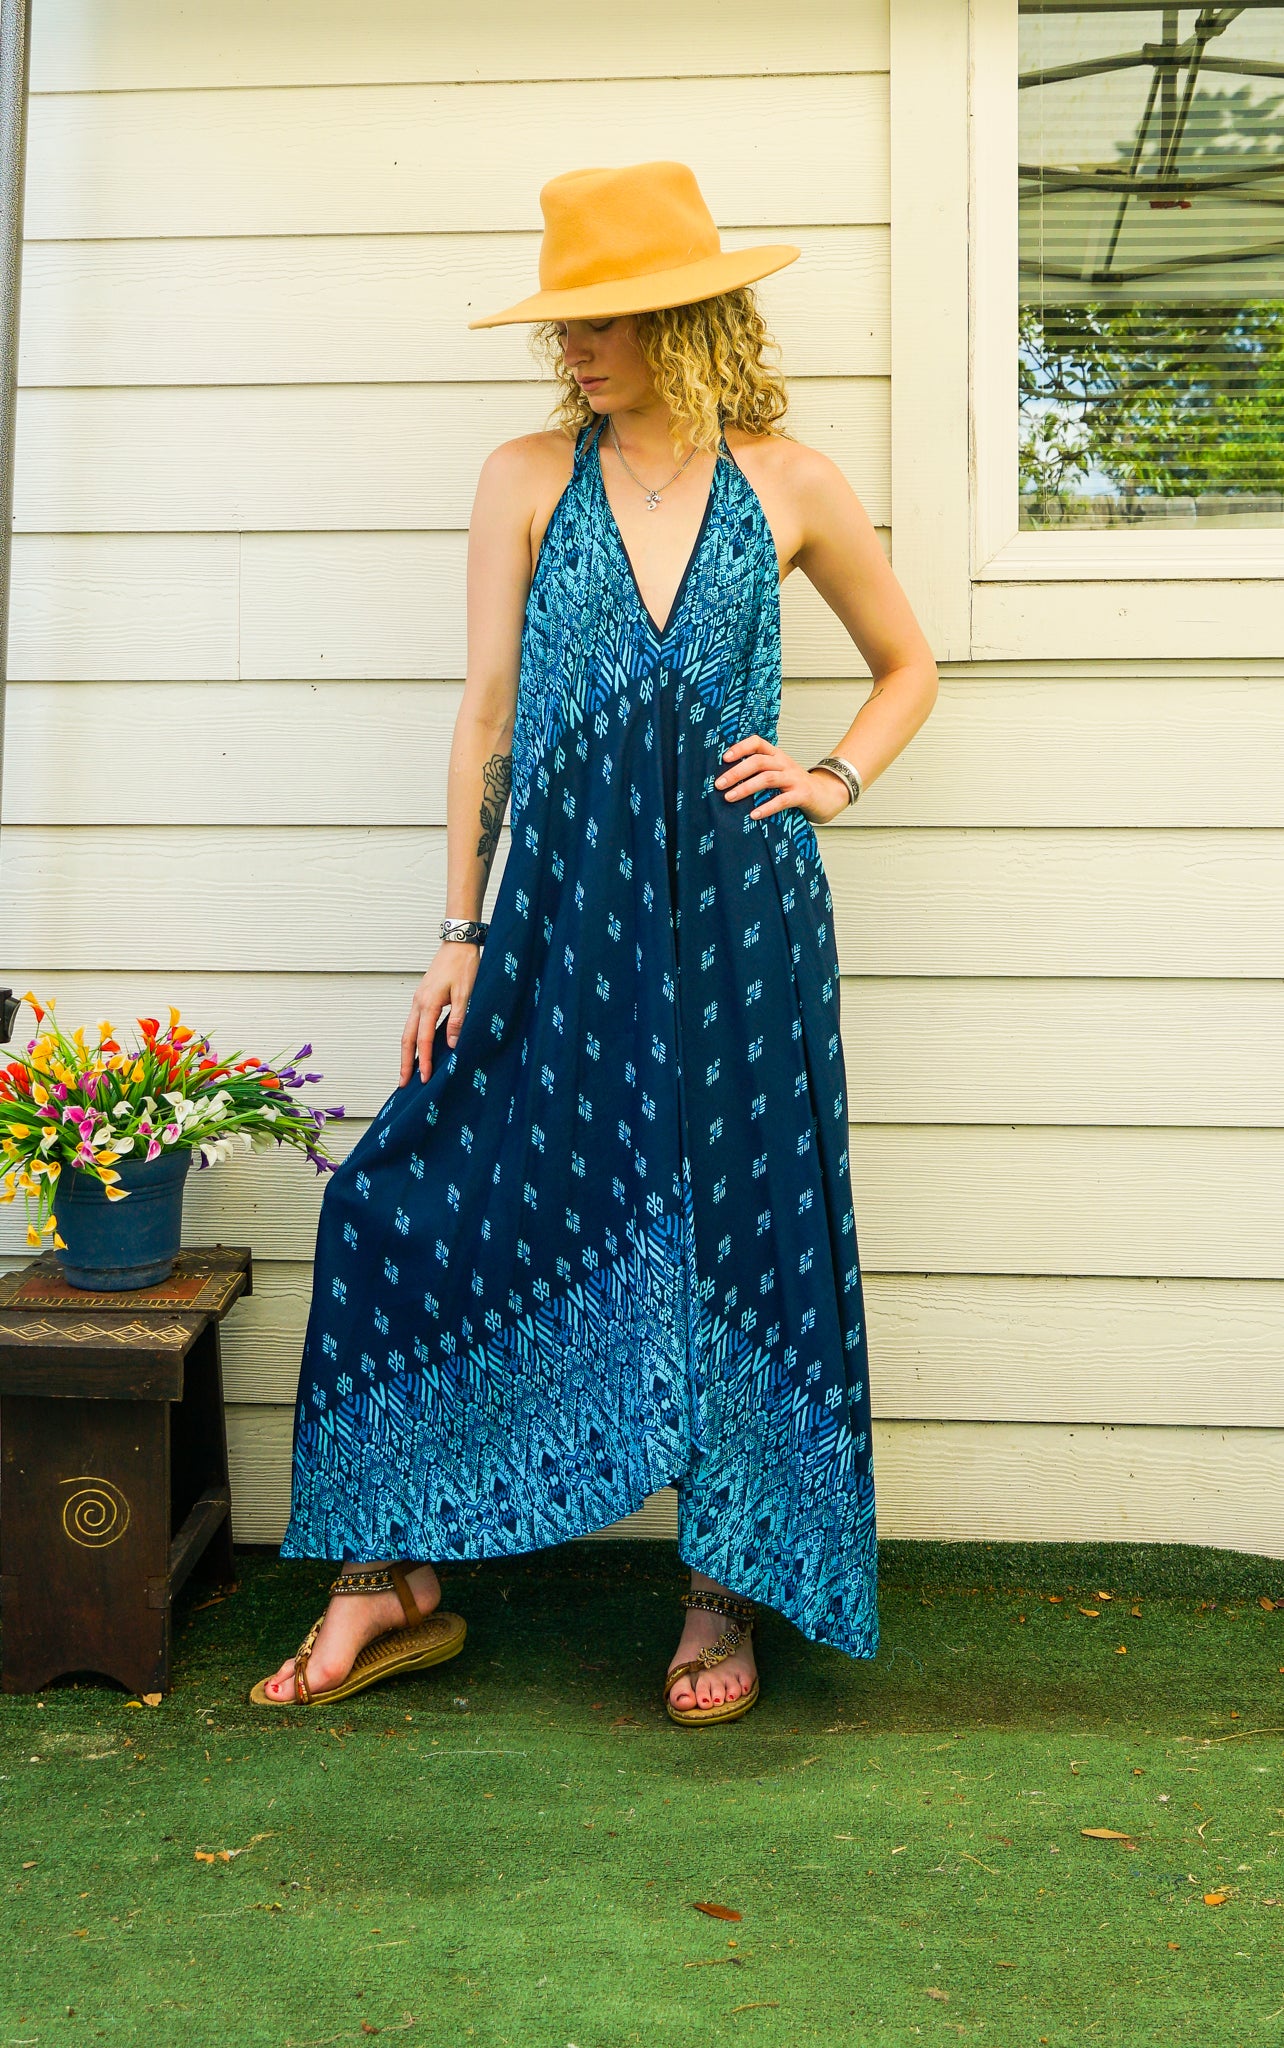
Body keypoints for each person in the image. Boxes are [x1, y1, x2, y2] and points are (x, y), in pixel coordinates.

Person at [251, 160, 938, 1725]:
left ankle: (725, 1590)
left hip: (744, 924)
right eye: (563, 322)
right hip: (559, 914)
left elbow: (908, 665)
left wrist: (830, 778)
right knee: (396, 1196)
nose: (571, 346)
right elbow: (488, 711)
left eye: (601, 321)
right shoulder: (524, 478)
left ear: (685, 320)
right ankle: (386, 1573)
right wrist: (459, 929)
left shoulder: (793, 483)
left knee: (741, 1227)